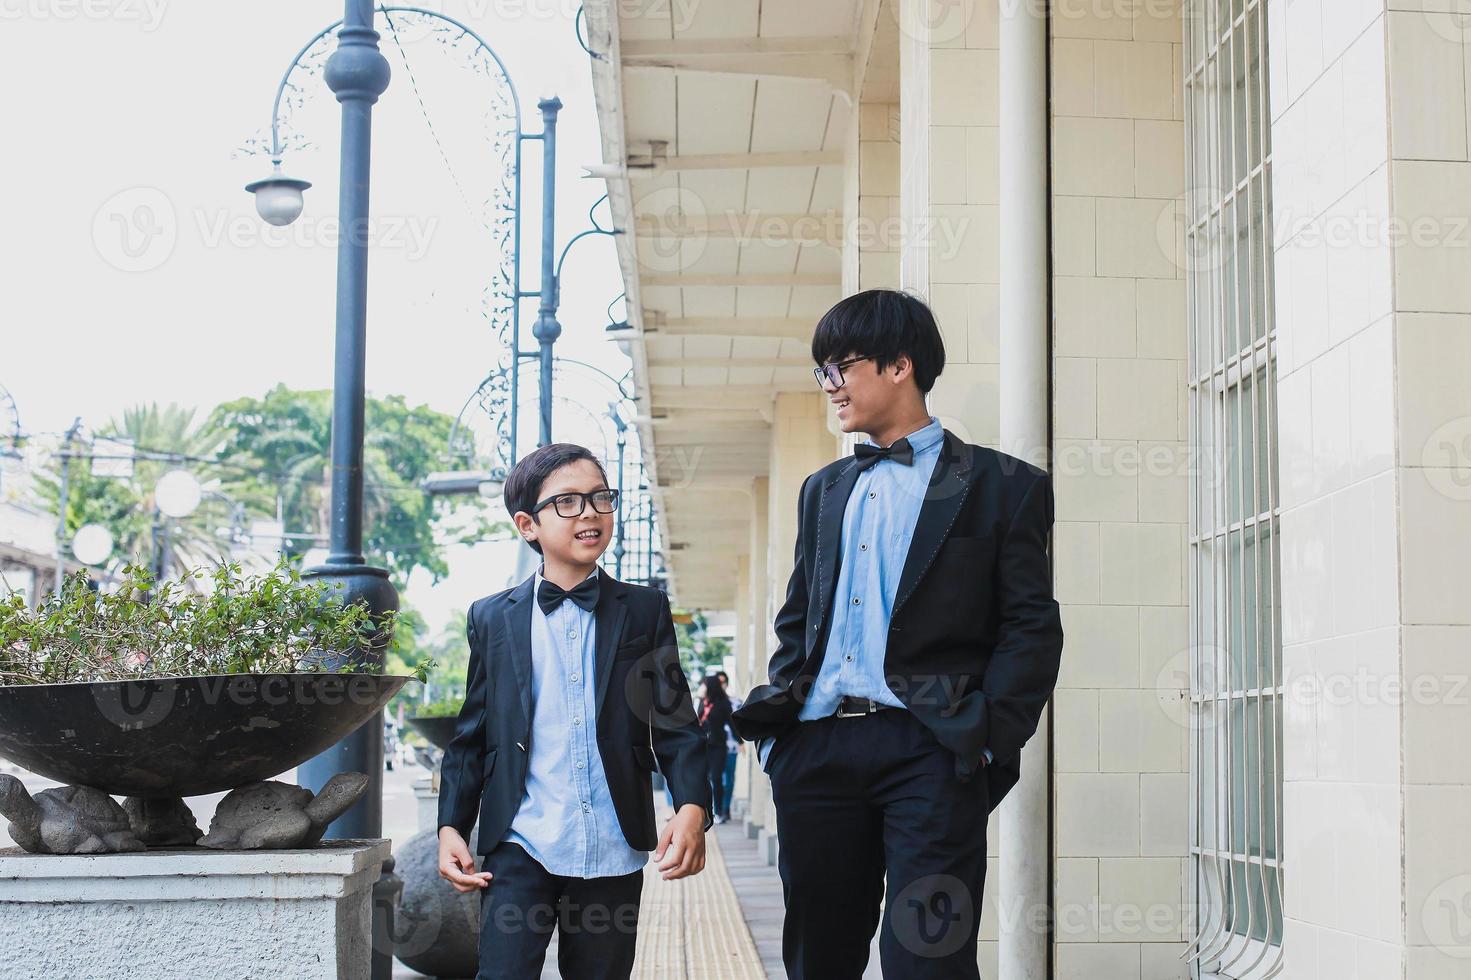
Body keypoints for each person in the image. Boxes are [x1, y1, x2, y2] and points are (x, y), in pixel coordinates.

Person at [731, 288, 1065, 979]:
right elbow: (798, 620)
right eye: (821, 371)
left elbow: (1030, 627)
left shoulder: (1003, 487)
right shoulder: (822, 489)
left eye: (839, 367)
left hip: (929, 749)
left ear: (898, 366)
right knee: (820, 956)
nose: (829, 386)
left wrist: (985, 740)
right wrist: (782, 735)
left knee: (926, 960)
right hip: (817, 747)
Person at [436, 442, 712, 980]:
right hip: (521, 841)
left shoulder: (644, 611)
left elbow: (675, 723)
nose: (588, 512)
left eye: (599, 498)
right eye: (567, 502)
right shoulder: (492, 618)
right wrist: (452, 826)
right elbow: (472, 733)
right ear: (527, 525)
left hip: (613, 841)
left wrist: (692, 806)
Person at [697, 674, 737, 825]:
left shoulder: (723, 704)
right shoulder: (703, 702)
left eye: (705, 685)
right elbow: (696, 721)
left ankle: (719, 811)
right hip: (702, 746)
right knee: (701, 778)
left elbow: (731, 723)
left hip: (718, 746)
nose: (703, 687)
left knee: (716, 778)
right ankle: (703, 811)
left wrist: (739, 741)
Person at [716, 670, 742, 821]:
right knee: (716, 779)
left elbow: (738, 725)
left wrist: (740, 742)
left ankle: (726, 809)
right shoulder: (708, 703)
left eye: (723, 682)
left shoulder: (736, 702)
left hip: (731, 748)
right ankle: (718, 810)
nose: (721, 685)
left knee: (730, 779)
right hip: (714, 748)